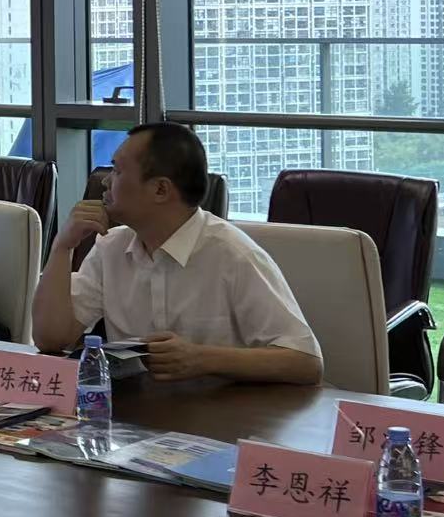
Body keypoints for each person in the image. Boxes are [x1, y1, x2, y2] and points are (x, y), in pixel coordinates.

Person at [31, 123, 322, 385]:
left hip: (225, 414)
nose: (106, 181)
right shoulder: (111, 247)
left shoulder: (232, 254)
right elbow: (51, 339)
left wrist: (203, 359)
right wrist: (62, 247)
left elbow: (306, 362)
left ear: (160, 189)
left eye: (117, 171)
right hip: (141, 412)